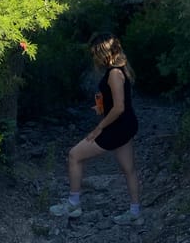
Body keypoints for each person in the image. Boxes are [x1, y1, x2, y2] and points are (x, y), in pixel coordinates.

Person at [50, 32, 142, 225]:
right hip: (125, 124)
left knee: (74, 155)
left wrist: (98, 128)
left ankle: (73, 203)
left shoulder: (114, 74)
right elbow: (115, 104)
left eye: (95, 53)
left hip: (118, 127)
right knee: (129, 169)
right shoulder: (119, 69)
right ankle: (135, 213)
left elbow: (119, 107)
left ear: (104, 53)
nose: (94, 57)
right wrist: (101, 107)